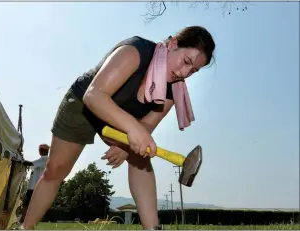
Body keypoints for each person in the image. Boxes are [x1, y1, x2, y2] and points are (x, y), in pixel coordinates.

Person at [21, 26, 215, 230]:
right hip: (83, 103)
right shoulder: (135, 51)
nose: (184, 73)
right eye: (186, 62)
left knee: (141, 156)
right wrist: (133, 130)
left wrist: (126, 145)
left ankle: (153, 228)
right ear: (173, 44)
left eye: (193, 71)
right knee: (55, 170)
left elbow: (147, 124)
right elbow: (94, 95)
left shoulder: (173, 90)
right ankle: (26, 227)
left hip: (117, 119)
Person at [19, 144, 50, 225]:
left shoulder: (45, 159)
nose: (40, 150)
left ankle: (24, 223)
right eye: (40, 149)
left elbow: (29, 163)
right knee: (28, 206)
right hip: (35, 187)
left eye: (42, 149)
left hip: (34, 187)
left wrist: (18, 159)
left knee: (25, 205)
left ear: (47, 151)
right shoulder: (42, 160)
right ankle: (25, 223)